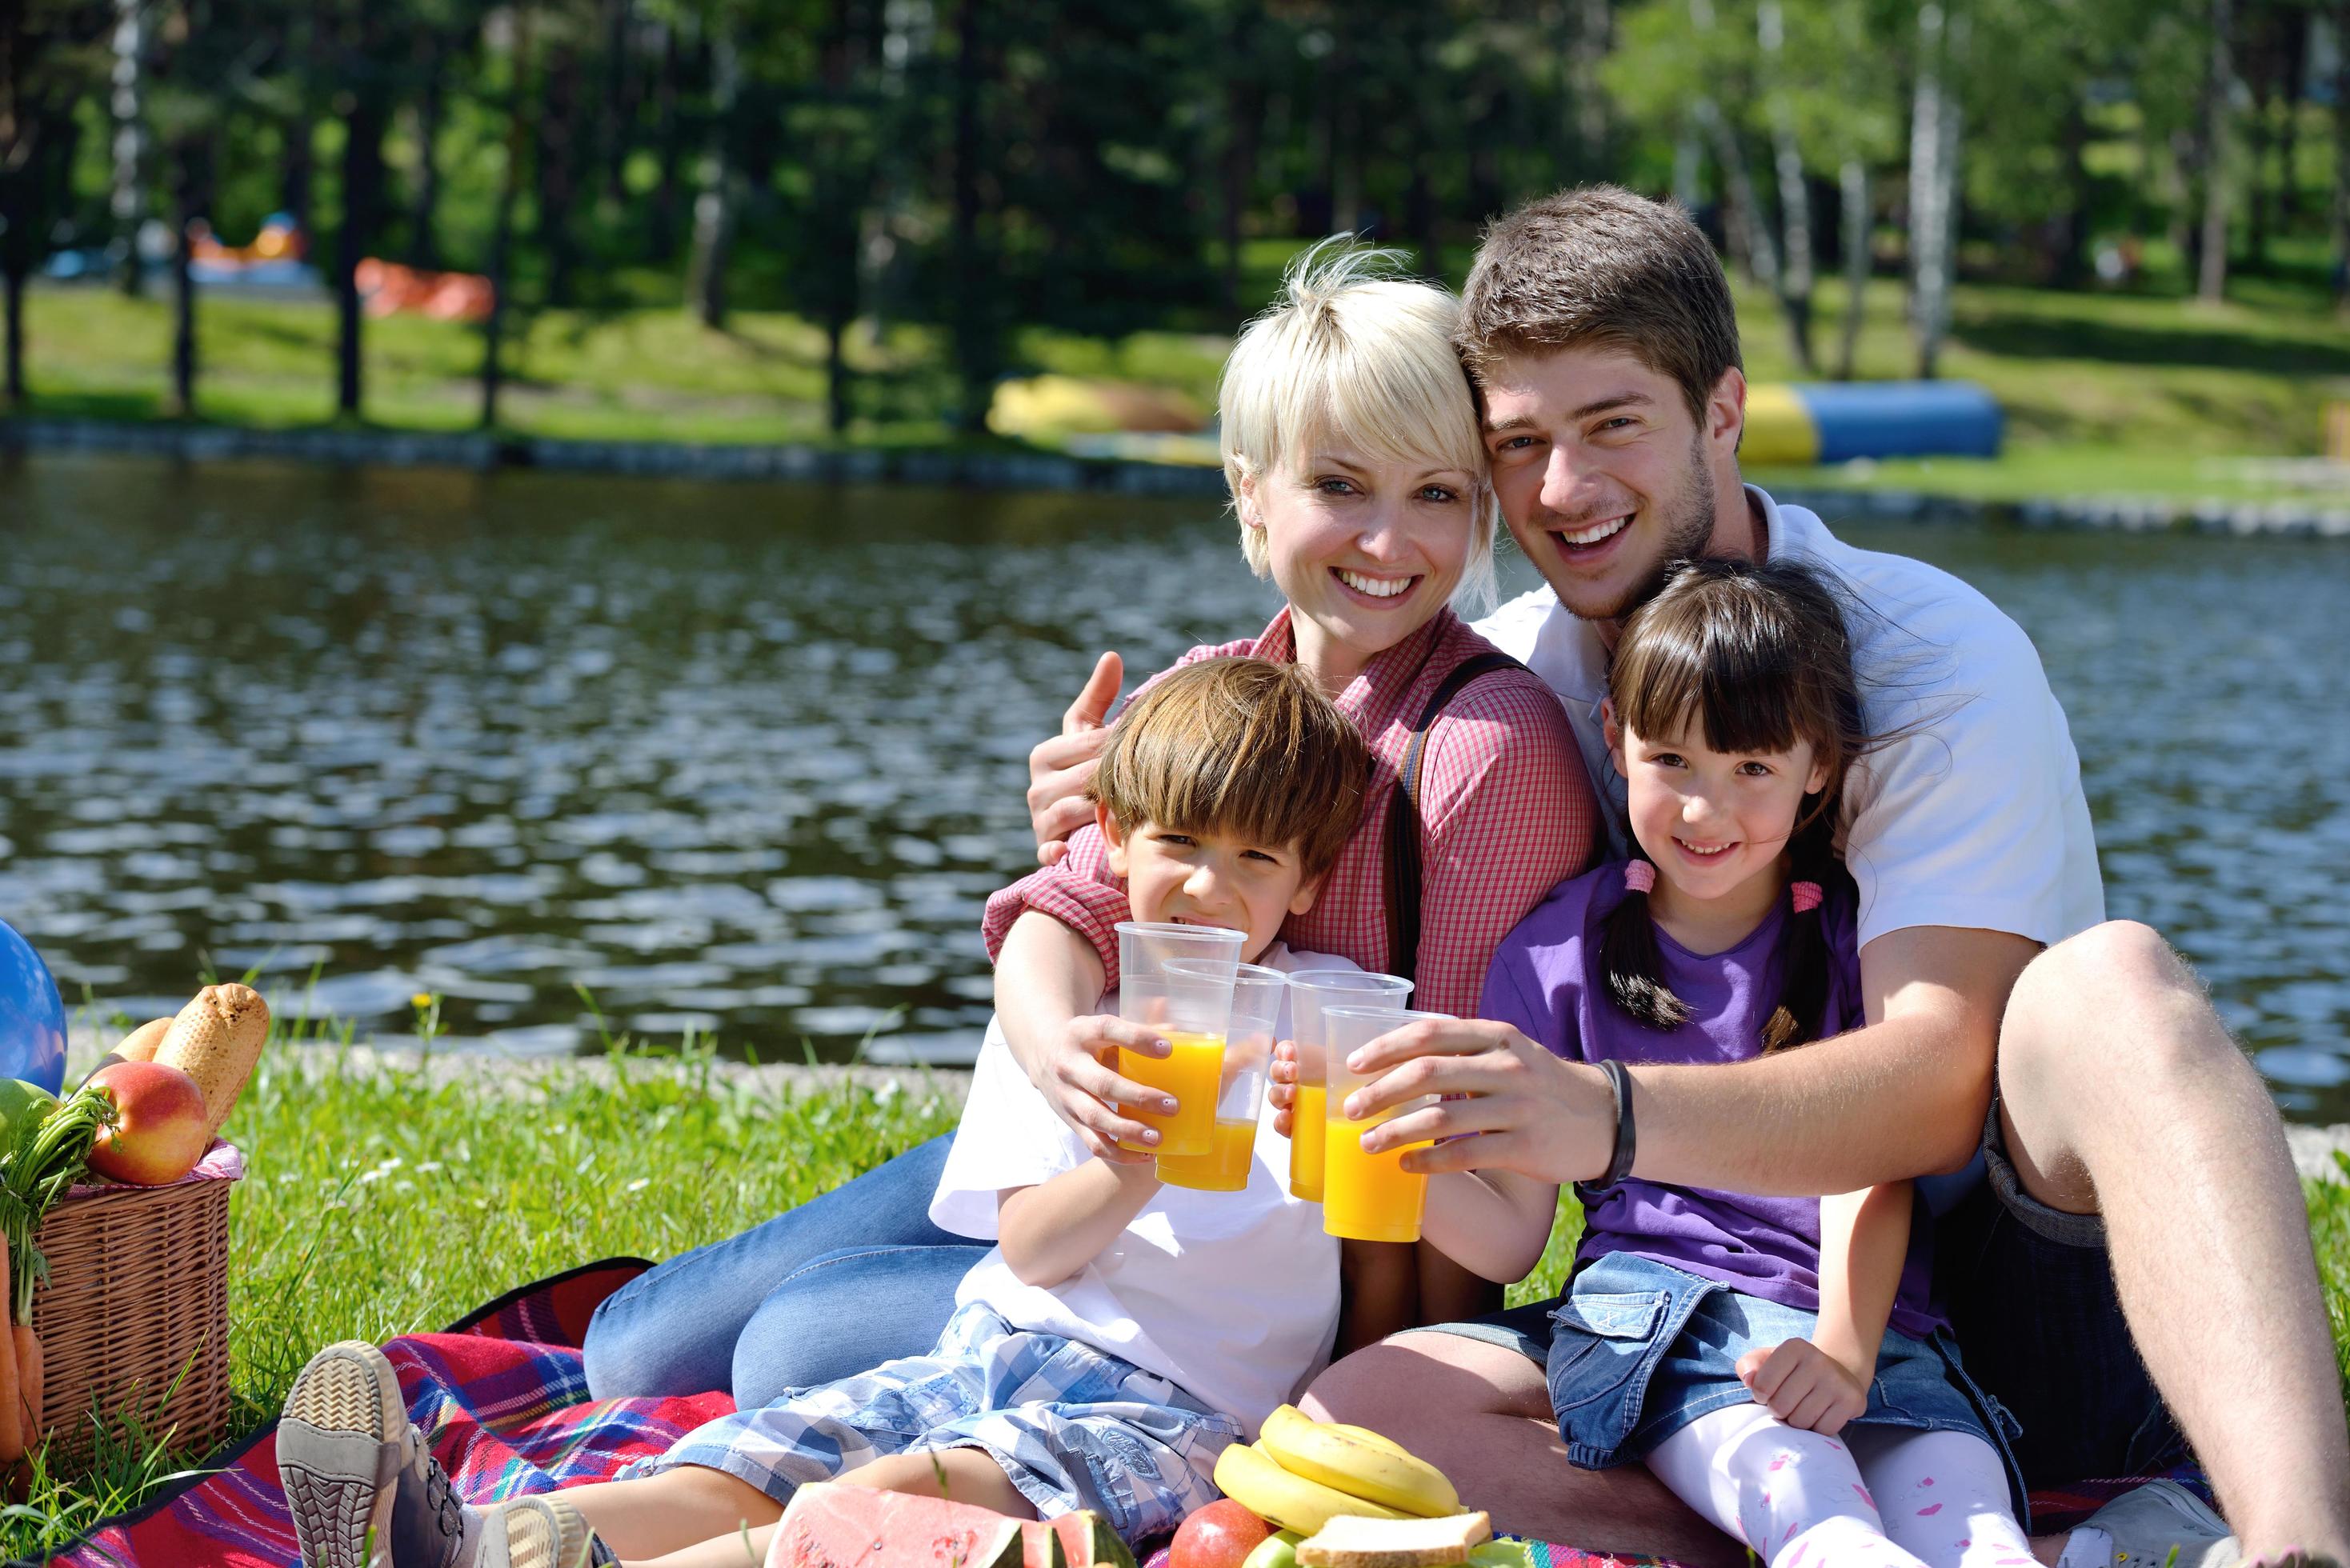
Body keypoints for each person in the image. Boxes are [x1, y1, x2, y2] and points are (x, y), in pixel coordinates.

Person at [1029, 187, 2348, 1568]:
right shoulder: (1528, 676)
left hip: (2003, 1303)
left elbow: (1937, 1080)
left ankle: (2286, 1540)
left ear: (1721, 412)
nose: (1563, 490)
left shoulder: (1932, 659)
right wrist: (1118, 807)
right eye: (1519, 445)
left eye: (1613, 426)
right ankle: (1852, 1533)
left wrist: (1594, 1112)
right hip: (1694, 1317)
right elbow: (1298, 821)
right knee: (1366, 1413)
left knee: (2113, 985)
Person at [578, 240, 1600, 1406]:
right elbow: (1061, 910)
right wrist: (1058, 1048)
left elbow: (1467, 1139)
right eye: (1338, 485)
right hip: (1111, 1142)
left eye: (1436, 494)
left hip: (1261, 1266)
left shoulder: (1485, 752)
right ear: (1249, 491)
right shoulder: (1213, 687)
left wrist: (1369, 1392)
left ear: (1479, 513)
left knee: (789, 1350)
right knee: (632, 1355)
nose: (1388, 542)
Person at [278, 656, 1397, 1568]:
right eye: (1179, 846)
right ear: (1112, 831)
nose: (1208, 887)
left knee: (891, 1499)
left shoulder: (1324, 1025)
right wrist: (1135, 1164)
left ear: (1308, 880)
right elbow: (1030, 1248)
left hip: (1174, 1419)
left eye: (1255, 859)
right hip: (993, 1346)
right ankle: (478, 1543)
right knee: (758, 1454)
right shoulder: (1067, 1016)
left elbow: (1453, 1240)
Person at [1475, 555, 2036, 1568]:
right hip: (1664, 1322)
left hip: (1872, 1331)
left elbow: (1870, 1157)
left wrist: (1848, 1350)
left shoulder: (1855, 945)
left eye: (1751, 769)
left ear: (1819, 766)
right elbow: (1512, 1237)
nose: (1704, 810)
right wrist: (1388, 1142)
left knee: (1980, 1536)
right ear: (1615, 739)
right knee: (1813, 1514)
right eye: (1672, 762)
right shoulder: (1556, 953)